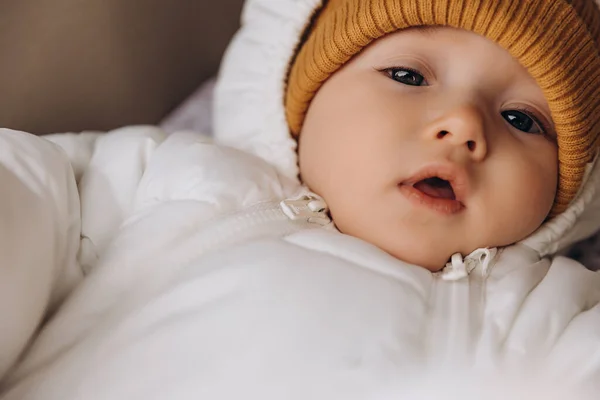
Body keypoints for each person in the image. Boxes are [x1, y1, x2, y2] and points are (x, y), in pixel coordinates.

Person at [1, 0, 600, 398]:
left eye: (522, 119)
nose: (465, 125)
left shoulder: (539, 313)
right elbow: (28, 194)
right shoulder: (166, 180)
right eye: (410, 77)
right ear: (301, 97)